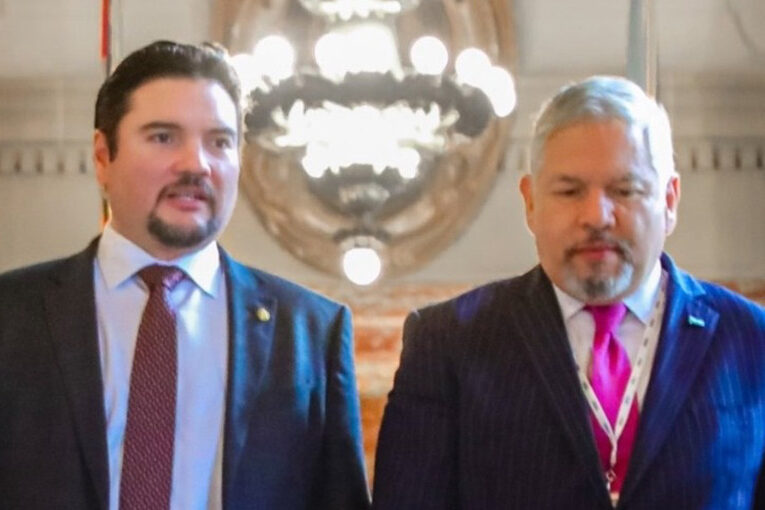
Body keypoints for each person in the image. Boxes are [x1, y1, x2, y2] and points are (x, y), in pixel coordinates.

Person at [0, 40, 369, 510]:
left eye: (220, 142)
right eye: (163, 137)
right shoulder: (12, 316)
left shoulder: (311, 331)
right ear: (102, 157)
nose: (196, 164)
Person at [372, 76, 765, 509]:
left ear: (669, 200)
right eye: (570, 191)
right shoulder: (449, 343)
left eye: (625, 190)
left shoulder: (751, 339)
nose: (596, 216)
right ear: (530, 202)